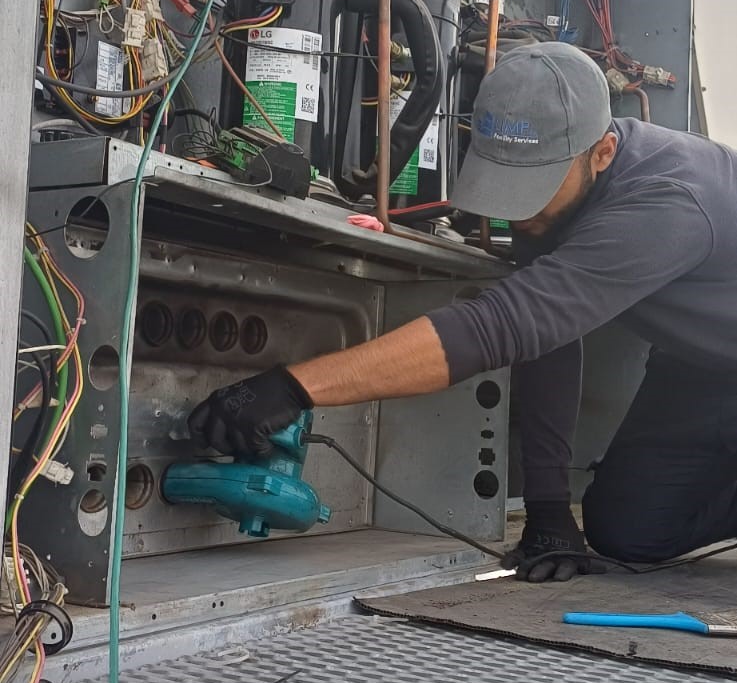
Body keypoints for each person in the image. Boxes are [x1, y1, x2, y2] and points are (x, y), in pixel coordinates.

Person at [189, 42, 737, 581]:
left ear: (603, 153)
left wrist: (295, 388)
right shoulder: (559, 199)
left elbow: (504, 325)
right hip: (699, 367)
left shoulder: (668, 202)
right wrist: (548, 508)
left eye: (536, 186)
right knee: (628, 530)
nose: (519, 212)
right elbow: (546, 337)